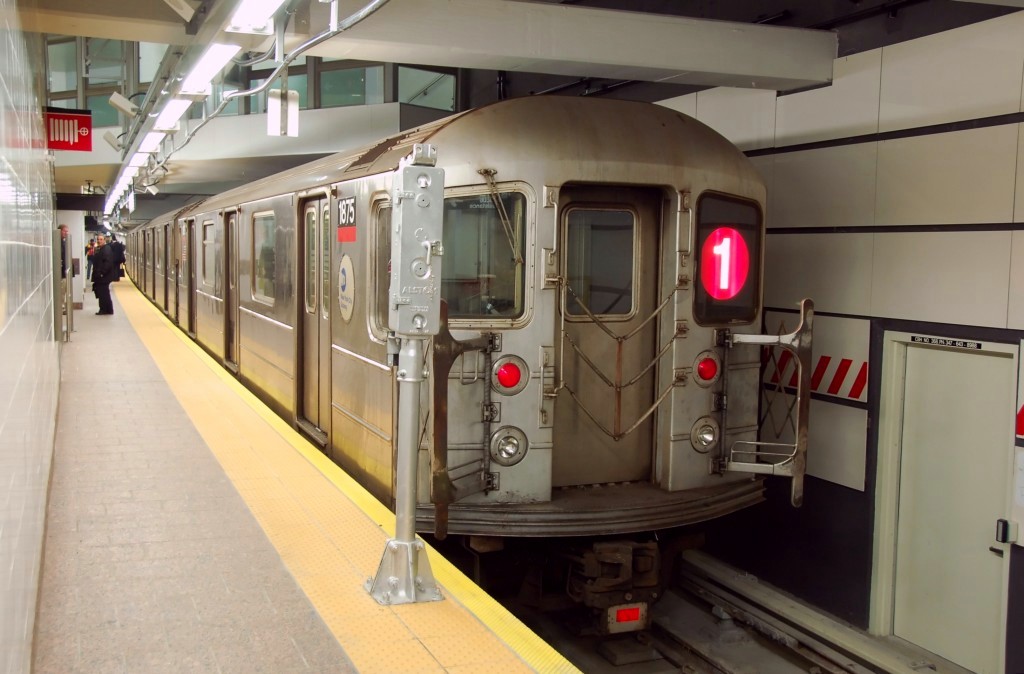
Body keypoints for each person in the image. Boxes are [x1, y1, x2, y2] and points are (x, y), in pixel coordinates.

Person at [91, 235, 117, 315]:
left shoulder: (106, 249)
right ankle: (109, 310)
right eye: (98, 239)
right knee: (105, 293)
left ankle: (103, 309)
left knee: (102, 293)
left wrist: (102, 273)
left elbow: (107, 263)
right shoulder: (102, 249)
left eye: (101, 239)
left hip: (104, 276)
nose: (99, 241)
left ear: (104, 240)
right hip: (103, 276)